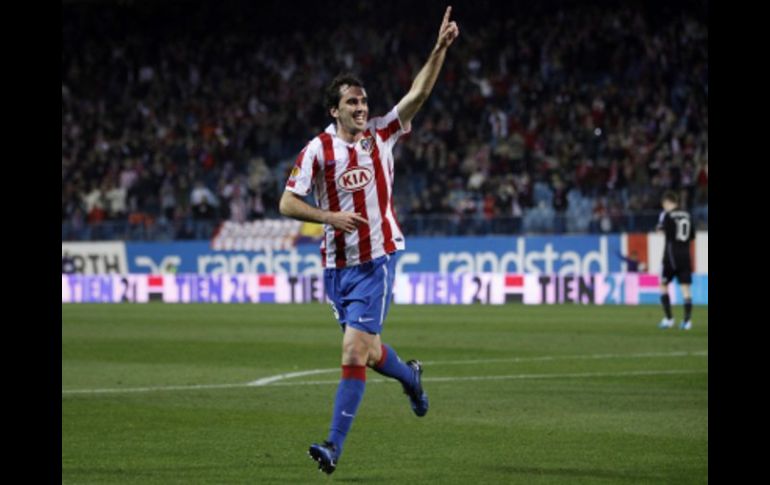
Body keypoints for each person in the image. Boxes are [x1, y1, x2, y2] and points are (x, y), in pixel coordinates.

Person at [278, 6, 459, 475]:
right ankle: (411, 378)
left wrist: (438, 49)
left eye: (364, 102)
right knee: (371, 352)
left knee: (352, 351)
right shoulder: (317, 149)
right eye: (352, 104)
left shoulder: (382, 133)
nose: (362, 109)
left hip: (377, 259)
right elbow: (286, 203)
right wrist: (327, 216)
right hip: (336, 267)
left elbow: (418, 93)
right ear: (334, 109)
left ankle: (333, 446)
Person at [656, 190, 695, 330]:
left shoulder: (667, 215)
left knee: (663, 284)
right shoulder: (687, 215)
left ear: (667, 203)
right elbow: (691, 236)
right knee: (685, 289)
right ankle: (687, 322)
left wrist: (662, 222)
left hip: (671, 256)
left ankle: (669, 319)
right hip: (685, 255)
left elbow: (660, 231)